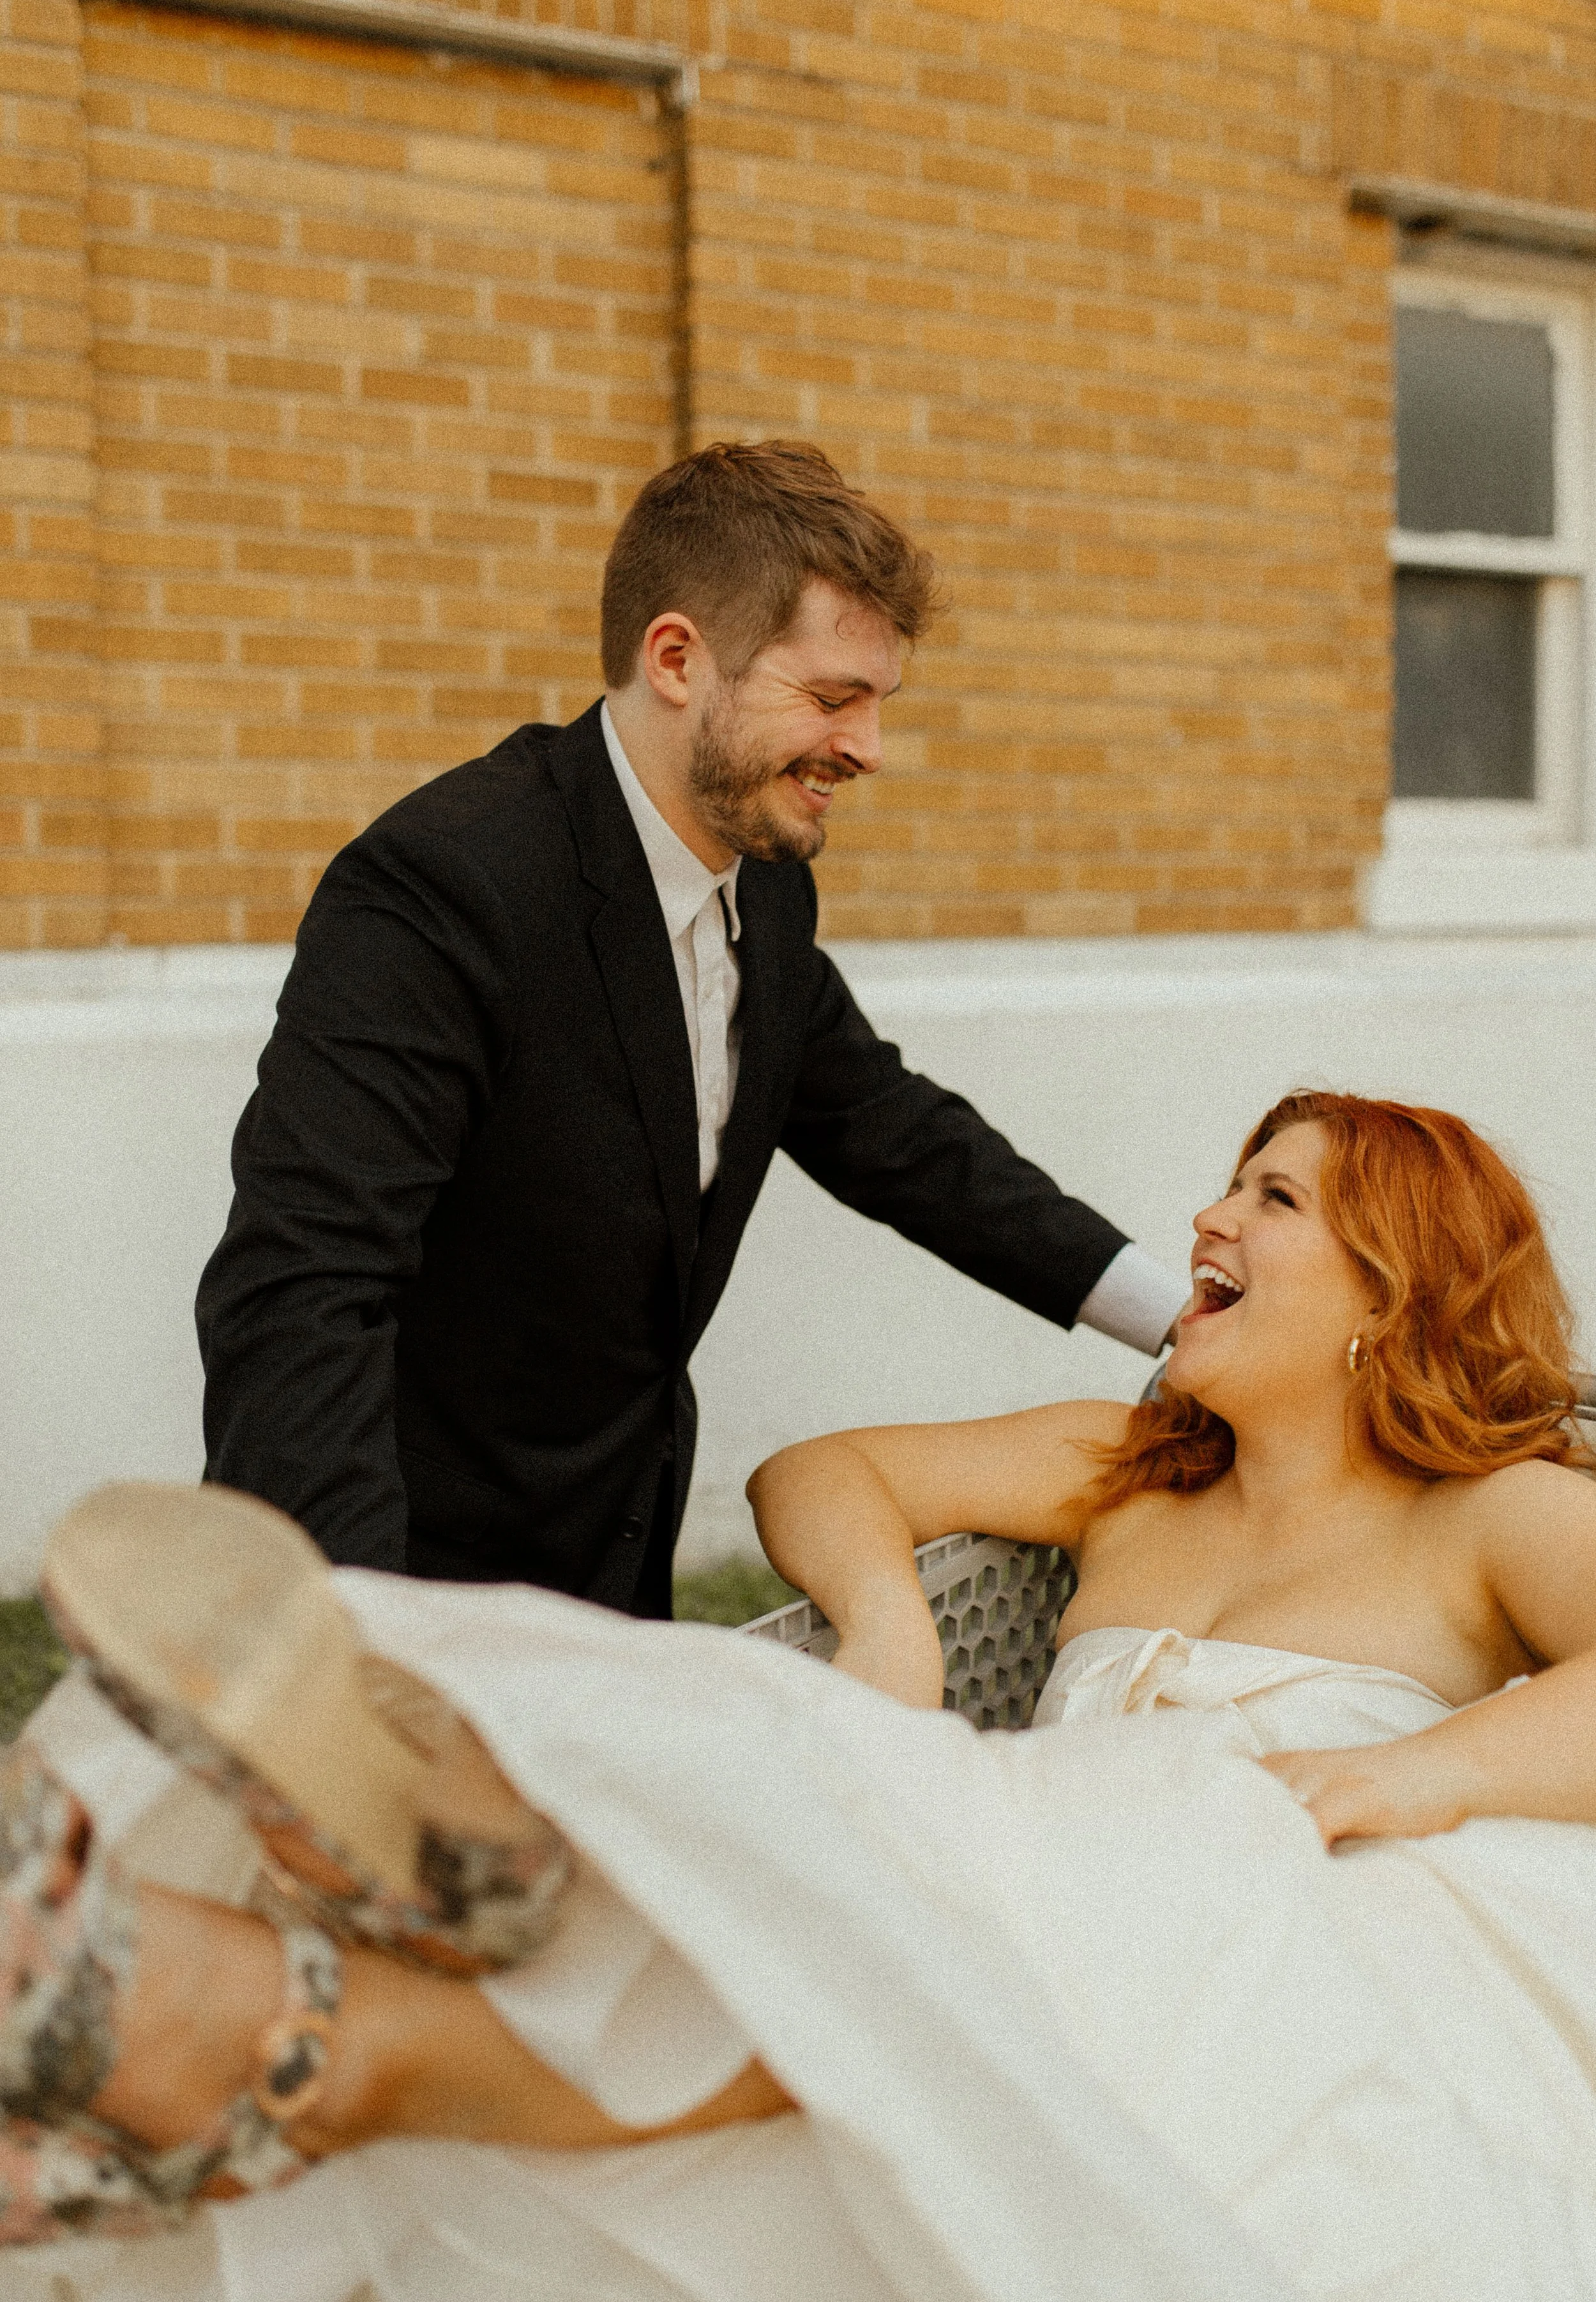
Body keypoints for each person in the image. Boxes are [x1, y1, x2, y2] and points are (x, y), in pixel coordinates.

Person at [8, 1088, 1596, 2302]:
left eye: (1270, 1196)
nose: (1205, 1217)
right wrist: (889, 1633)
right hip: (1023, 1897)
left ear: (1391, 1287)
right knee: (853, 1849)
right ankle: (401, 1903)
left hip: (1300, 1949)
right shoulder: (1125, 1475)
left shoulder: (1492, 1505)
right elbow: (817, 1474)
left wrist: (1407, 1780)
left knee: (1058, 1864)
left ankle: (369, 1934)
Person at [195, 440, 1185, 1613]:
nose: (869, 748)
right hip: (412, 1585)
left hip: (615, 1565)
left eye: (880, 703)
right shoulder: (446, 886)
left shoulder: (765, 883)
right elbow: (303, 1290)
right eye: (831, 699)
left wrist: (1187, 1322)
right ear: (677, 658)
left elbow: (892, 1129)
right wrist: (365, 1651)